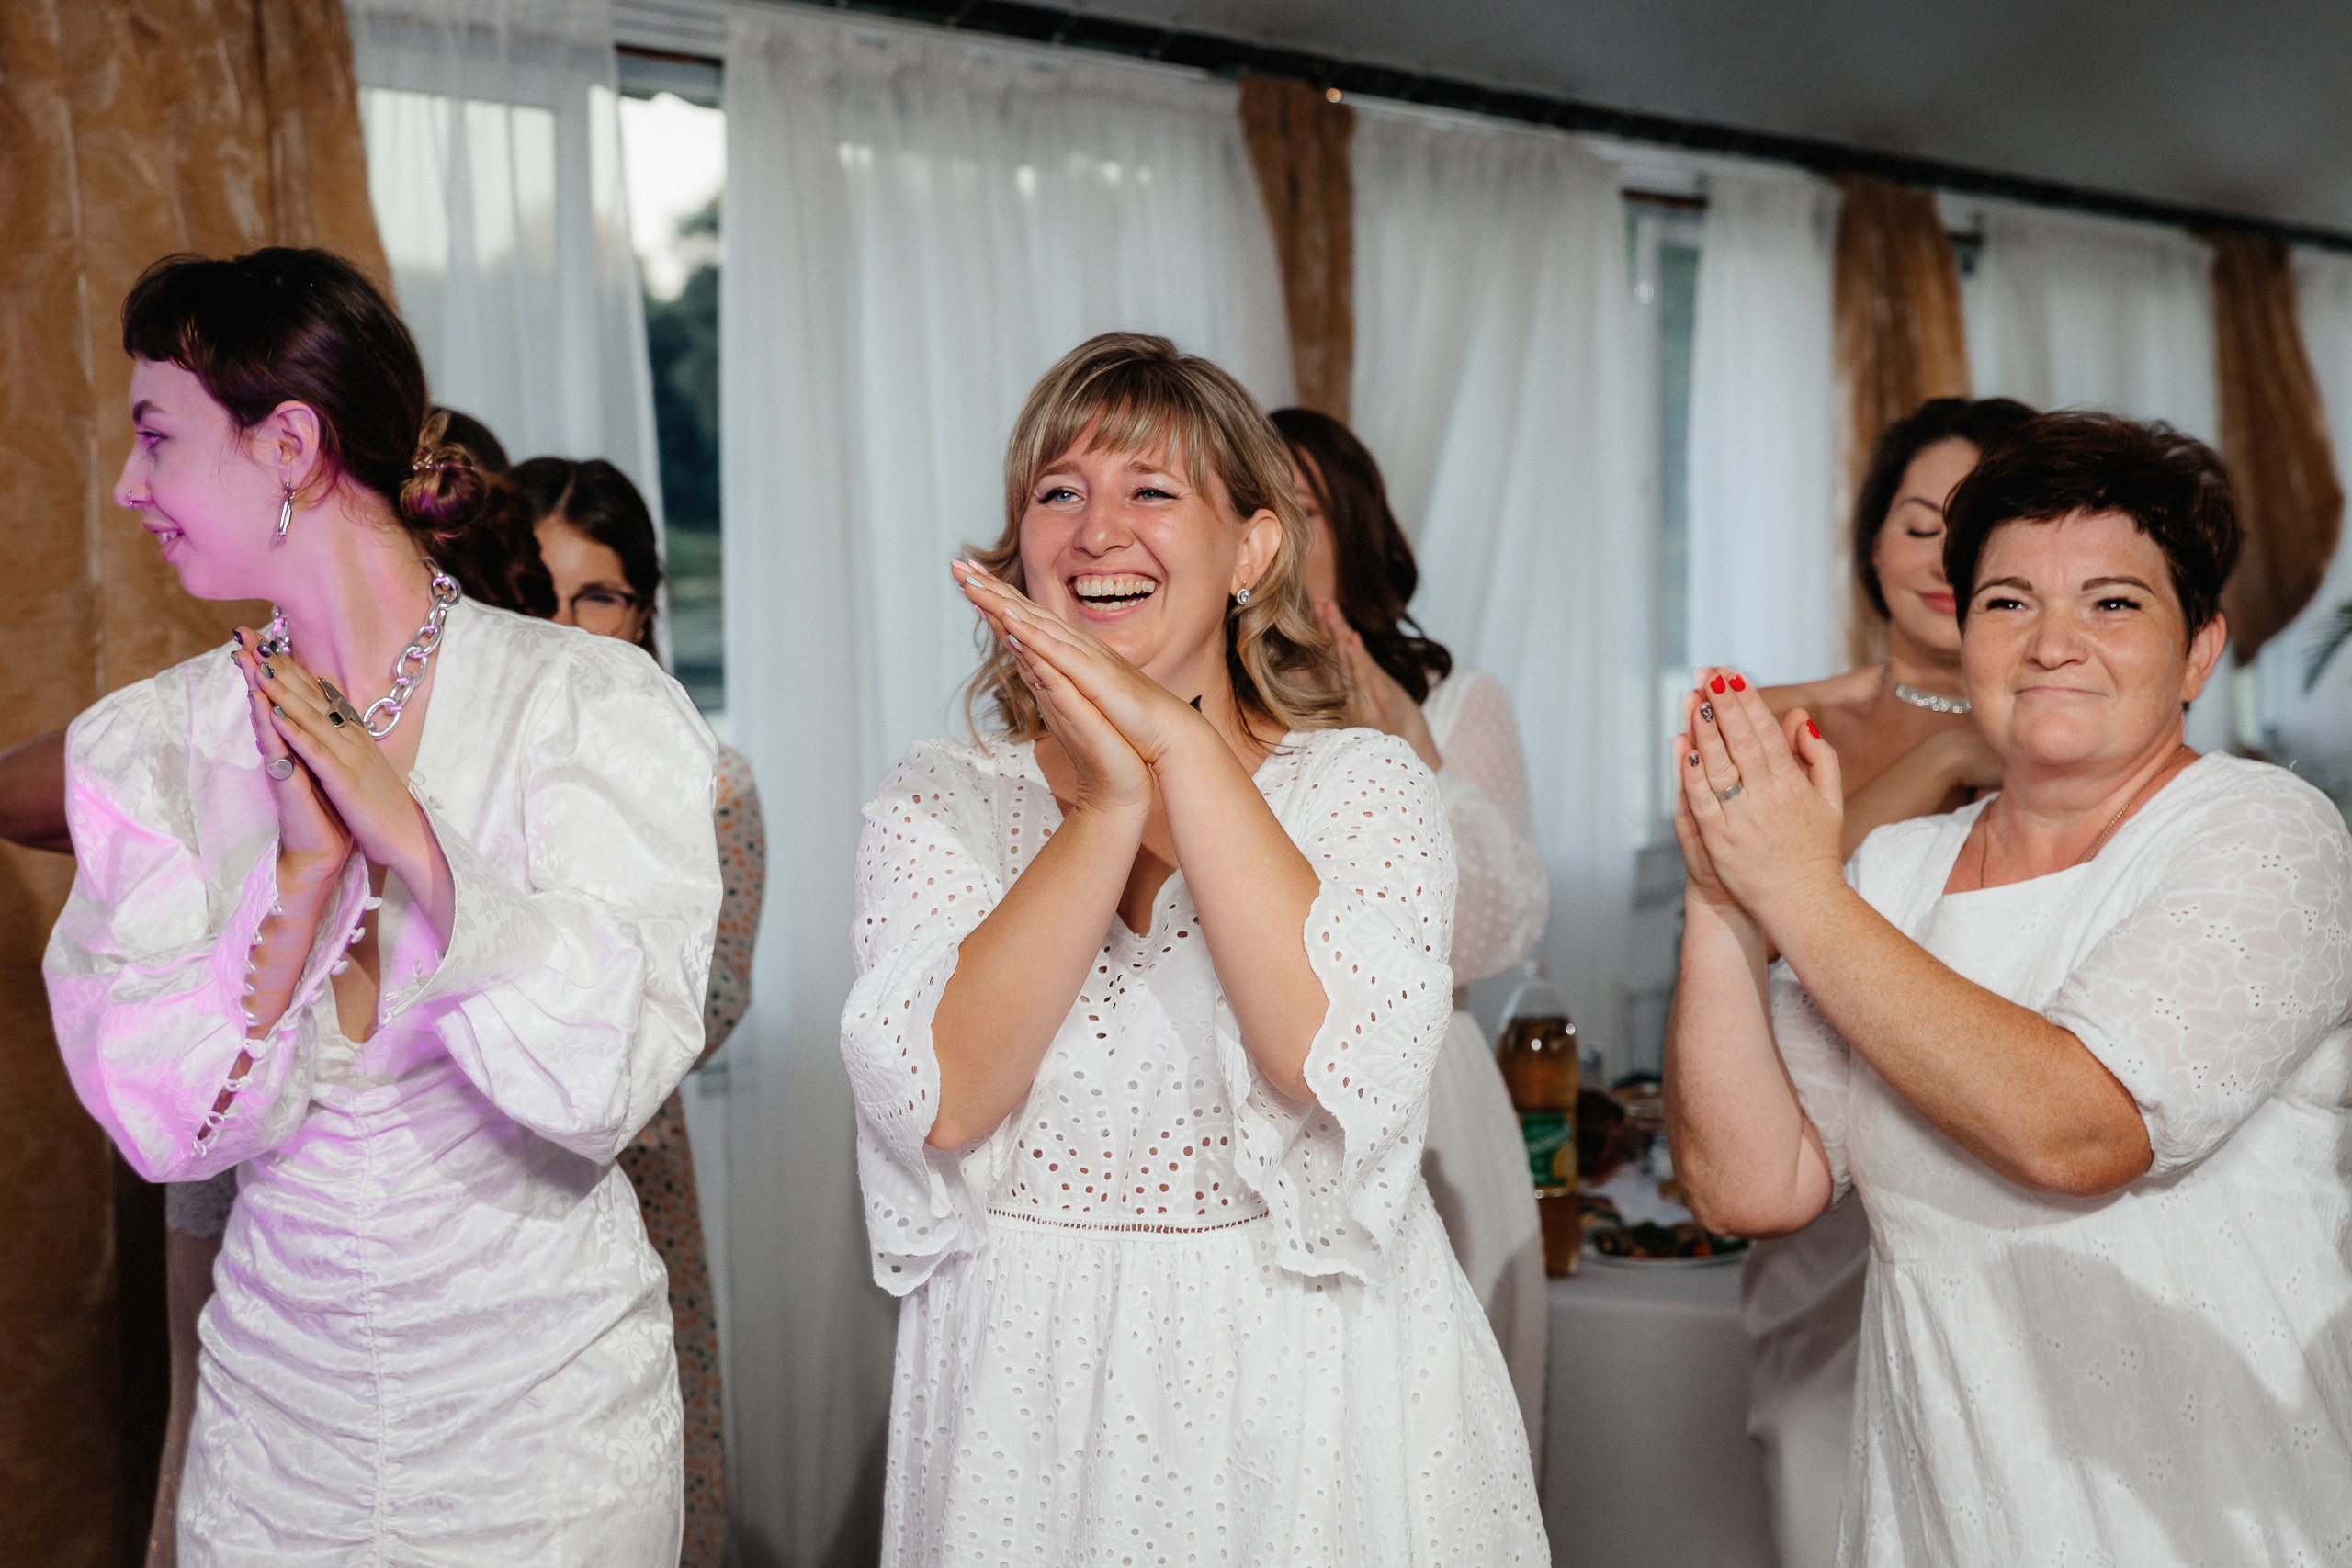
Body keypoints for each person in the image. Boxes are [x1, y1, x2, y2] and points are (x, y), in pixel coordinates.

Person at [46, 248, 720, 1564]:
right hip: (273, 1449)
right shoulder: (150, 749)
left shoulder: (585, 707)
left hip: (550, 1443)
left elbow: (599, 1082)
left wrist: (414, 840)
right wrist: (297, 888)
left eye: (156, 439)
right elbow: (166, 1128)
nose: (131, 488)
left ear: (288, 441)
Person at [842, 333, 1547, 1562]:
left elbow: (1314, 1053)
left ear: (1253, 547)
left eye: (1150, 491)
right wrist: (1112, 800)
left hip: (1308, 1398)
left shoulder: (1363, 788)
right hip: (1030, 1409)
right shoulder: (942, 799)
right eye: (1058, 491)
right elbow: (946, 1095)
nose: (1095, 528)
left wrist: (1166, 738)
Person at [1664, 412, 2352, 1565]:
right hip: (1945, 1511)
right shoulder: (1894, 873)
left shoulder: (2266, 834)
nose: (2052, 640)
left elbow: (2076, 1129)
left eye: (2113, 601)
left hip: (2208, 1517)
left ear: (2199, 650)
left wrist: (1796, 888)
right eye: (2007, 601)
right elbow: (1752, 1184)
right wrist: (1721, 898)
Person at [147, 402, 527, 1568]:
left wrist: (402, 831)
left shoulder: (544, 730)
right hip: (267, 1297)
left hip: (508, 1348)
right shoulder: (215, 722)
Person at [1742, 395, 2033, 1568]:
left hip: (2020, 1178)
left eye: (1986, 525)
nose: (1949, 557)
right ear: (1871, 542)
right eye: (1922, 524)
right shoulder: (1767, 723)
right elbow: (1752, 941)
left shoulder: (2079, 738)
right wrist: (1947, 759)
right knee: (1826, 1496)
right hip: (1825, 1196)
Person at [1272, 406, 1551, 1453]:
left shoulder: (1452, 698)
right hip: (1263, 1094)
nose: (1274, 538)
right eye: (1247, 507)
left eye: (1299, 508)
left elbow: (1494, 928)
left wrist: (1399, 737)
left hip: (1427, 1095)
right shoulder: (1202, 706)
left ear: (1354, 528)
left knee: (1440, 1441)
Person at [512, 454, 765, 1568]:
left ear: (643, 608)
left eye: (598, 597)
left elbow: (711, 1000)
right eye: (538, 593)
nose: (566, 626)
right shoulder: (441, 766)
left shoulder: (707, 778)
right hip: (447, 1192)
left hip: (627, 1179)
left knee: (627, 1491)